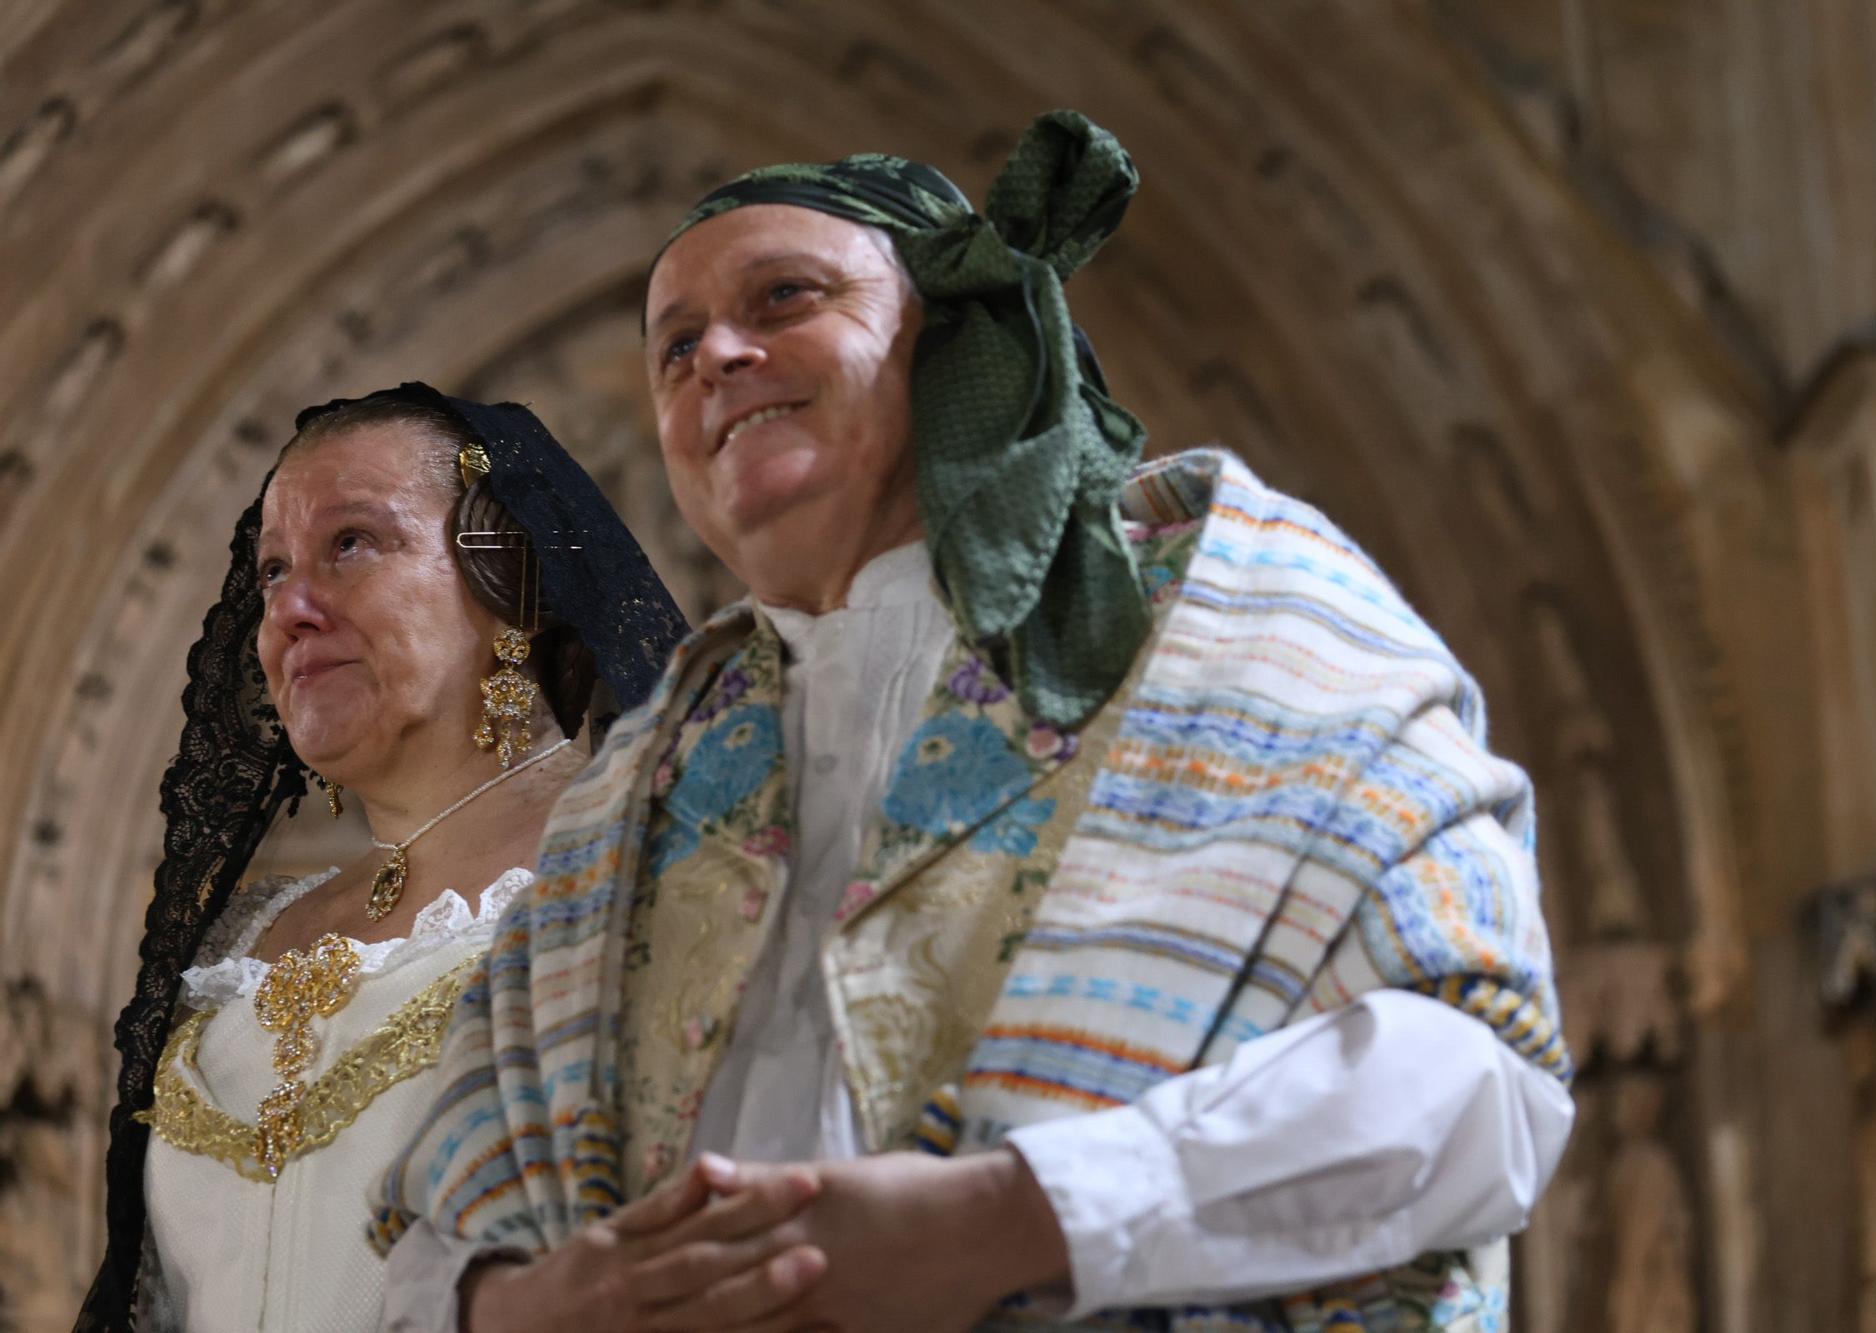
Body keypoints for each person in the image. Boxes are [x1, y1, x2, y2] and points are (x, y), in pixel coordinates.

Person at [379, 112, 1574, 1332]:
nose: (713, 358)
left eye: (783, 298)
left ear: (955, 331)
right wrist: (528, 1305)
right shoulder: (634, 782)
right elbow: (437, 1227)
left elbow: (1473, 1085)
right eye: (673, 347)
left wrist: (1010, 1220)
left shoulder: (1233, 606)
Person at [73, 384, 688, 1331]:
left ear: (506, 570)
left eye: (351, 544)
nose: (290, 610)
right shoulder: (237, 941)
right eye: (272, 570)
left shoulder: (649, 877)